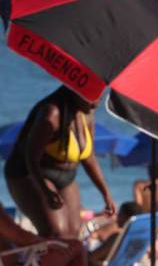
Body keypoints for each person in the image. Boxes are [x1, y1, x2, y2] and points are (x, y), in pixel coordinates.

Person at [4, 86, 116, 239]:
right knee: (56, 234)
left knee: (74, 235)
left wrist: (106, 193)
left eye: (100, 94)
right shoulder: (52, 114)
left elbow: (88, 157)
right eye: (93, 94)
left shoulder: (87, 112)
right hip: (29, 172)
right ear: (76, 90)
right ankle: (34, 260)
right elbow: (30, 157)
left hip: (65, 176)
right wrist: (45, 190)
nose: (98, 100)